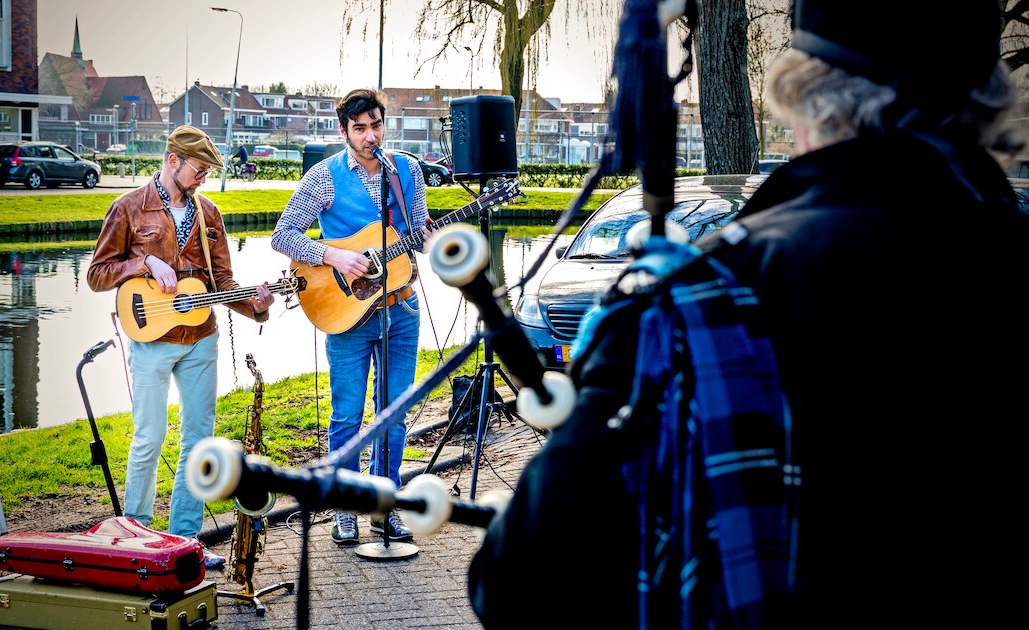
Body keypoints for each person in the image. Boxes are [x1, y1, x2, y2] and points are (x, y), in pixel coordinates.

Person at [469, 1, 1028, 627]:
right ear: (987, 100)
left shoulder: (711, 293)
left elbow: (522, 588)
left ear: (803, 96)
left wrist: (614, 368)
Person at [87, 125, 275, 570]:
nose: (204, 178)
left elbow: (222, 283)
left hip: (201, 339)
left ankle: (185, 539)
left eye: (208, 171)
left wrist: (258, 304)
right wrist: (144, 261)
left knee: (199, 439)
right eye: (199, 169)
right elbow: (97, 273)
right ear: (172, 161)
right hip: (151, 341)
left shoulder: (209, 213)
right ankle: (137, 535)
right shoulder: (129, 207)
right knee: (148, 437)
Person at [271, 88, 431, 545]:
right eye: (359, 128)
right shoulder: (323, 177)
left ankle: (384, 505)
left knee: (394, 412)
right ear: (343, 131)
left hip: (400, 306)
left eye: (376, 125)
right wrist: (334, 258)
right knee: (347, 416)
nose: (370, 135)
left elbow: (415, 232)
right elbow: (284, 237)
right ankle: (345, 508)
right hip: (345, 312)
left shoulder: (407, 171)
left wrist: (425, 235)